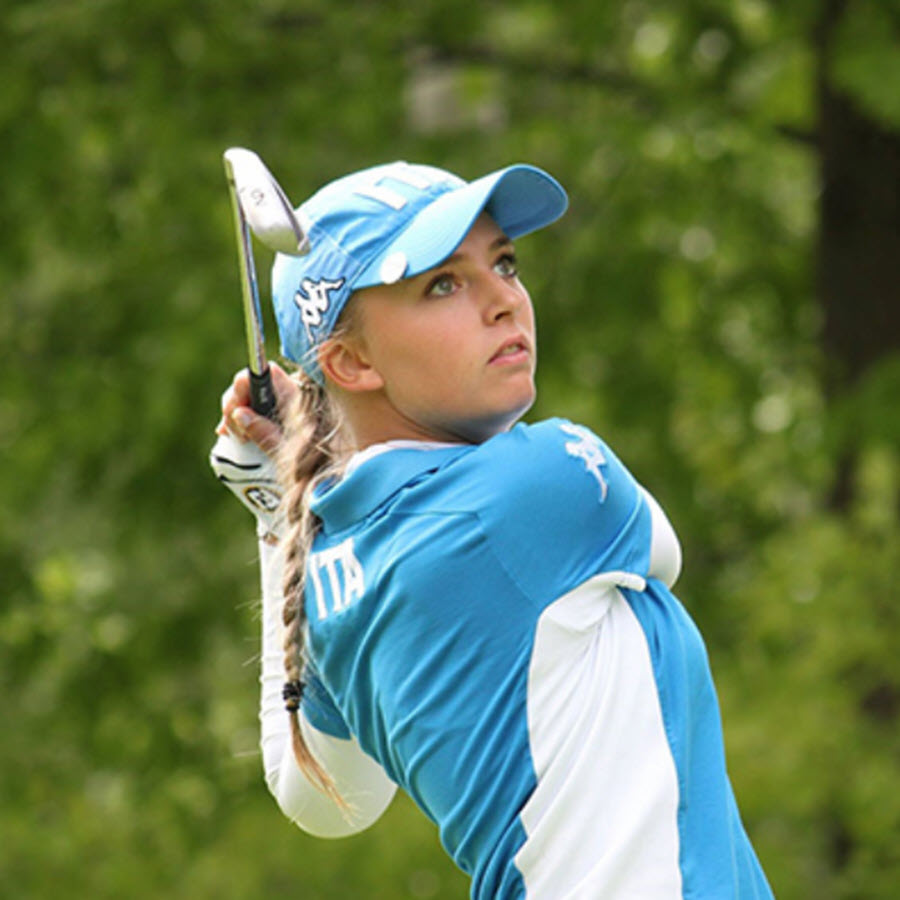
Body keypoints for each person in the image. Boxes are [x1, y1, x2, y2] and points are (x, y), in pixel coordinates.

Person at [210, 160, 775, 899]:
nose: (504, 300)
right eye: (442, 283)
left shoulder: (332, 560)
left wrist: (276, 511)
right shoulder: (549, 481)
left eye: (503, 263)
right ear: (349, 360)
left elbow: (323, 799)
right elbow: (664, 554)